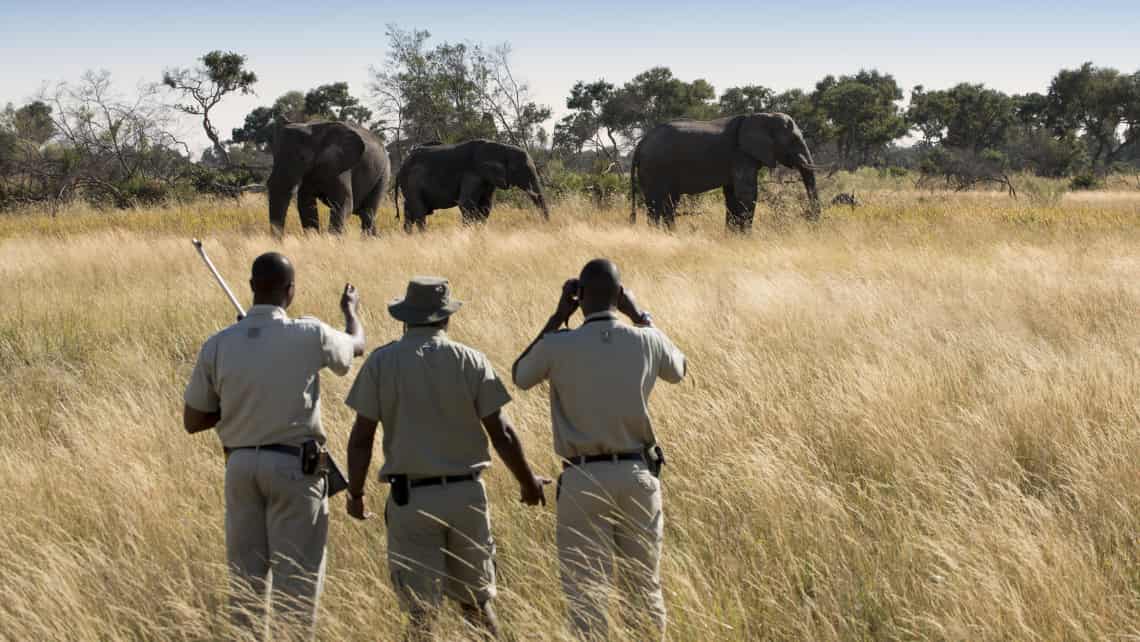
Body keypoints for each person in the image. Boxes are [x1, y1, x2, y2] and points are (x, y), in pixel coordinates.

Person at [343, 276, 549, 641]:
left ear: (404, 318)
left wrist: (356, 494)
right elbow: (500, 431)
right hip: (466, 495)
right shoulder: (470, 359)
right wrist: (528, 482)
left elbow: (362, 438)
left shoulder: (381, 362)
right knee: (476, 605)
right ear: (445, 318)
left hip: (411, 499)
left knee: (421, 616)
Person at [183, 252, 366, 638]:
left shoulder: (218, 345)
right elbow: (355, 346)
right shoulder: (309, 333)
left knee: (246, 588)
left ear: (251, 288)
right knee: (296, 586)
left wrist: (236, 402)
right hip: (295, 468)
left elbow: (193, 420)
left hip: (240, 467)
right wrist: (351, 311)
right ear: (291, 291)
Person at [512, 258, 687, 640]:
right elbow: (678, 369)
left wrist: (557, 317)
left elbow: (520, 375)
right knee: (644, 588)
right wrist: (640, 315)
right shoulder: (646, 339)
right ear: (619, 295)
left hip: (583, 476)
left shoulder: (559, 345)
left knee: (586, 596)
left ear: (579, 297)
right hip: (637, 474)